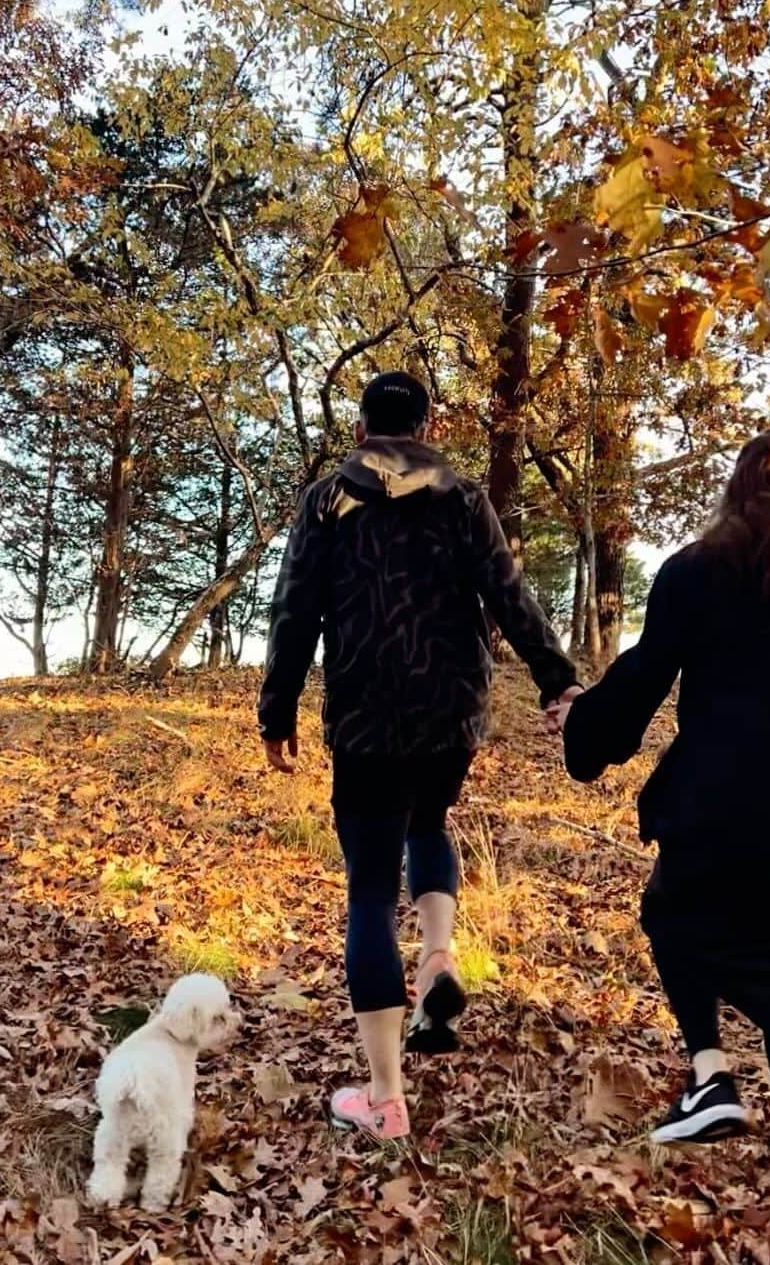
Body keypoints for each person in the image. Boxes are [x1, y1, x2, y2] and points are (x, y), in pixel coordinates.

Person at [549, 430, 770, 1265]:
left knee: (668, 914)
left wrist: (582, 726)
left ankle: (709, 1071)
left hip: (724, 835)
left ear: (739, 495)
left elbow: (637, 687)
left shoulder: (701, 573)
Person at [258, 371, 581, 1138]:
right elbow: (510, 593)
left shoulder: (327, 501)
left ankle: (383, 1098)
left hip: (368, 710)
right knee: (428, 823)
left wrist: (277, 708)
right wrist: (556, 679)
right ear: (426, 424)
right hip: (451, 706)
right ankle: (437, 955)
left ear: (364, 426)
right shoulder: (462, 498)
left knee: (370, 892)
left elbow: (295, 608)